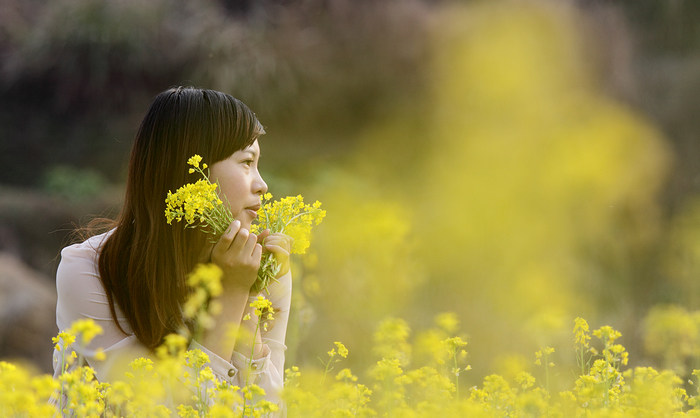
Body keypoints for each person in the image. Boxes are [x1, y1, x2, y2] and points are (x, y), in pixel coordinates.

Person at [52, 87, 292, 410]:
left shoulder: (263, 269)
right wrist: (232, 295)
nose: (261, 184)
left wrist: (248, 299)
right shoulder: (88, 271)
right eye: (247, 162)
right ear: (192, 172)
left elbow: (269, 412)